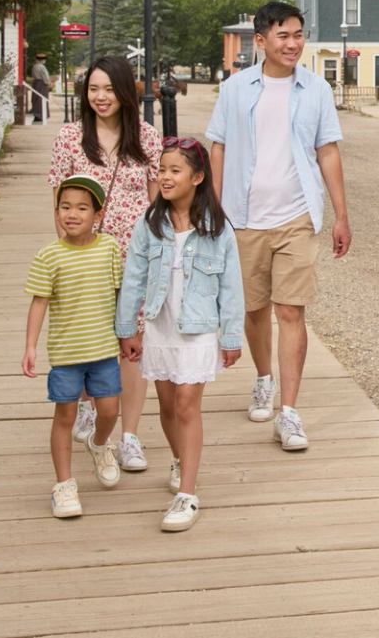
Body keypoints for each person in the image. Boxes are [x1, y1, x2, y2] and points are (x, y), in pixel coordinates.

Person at [209, 1, 352, 453]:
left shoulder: (315, 90)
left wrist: (341, 214)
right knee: (253, 311)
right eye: (283, 35)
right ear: (261, 41)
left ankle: (289, 412)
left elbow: (327, 150)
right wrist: (213, 209)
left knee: (291, 310)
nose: (293, 44)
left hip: (296, 217)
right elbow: (218, 148)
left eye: (298, 34)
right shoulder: (234, 89)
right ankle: (264, 378)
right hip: (244, 219)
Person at [116, 138, 244, 532]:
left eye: (175, 170)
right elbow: (133, 279)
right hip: (160, 325)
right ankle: (179, 458)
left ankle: (186, 494)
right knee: (168, 407)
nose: (165, 177)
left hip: (198, 328)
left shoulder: (218, 230)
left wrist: (231, 336)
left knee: (188, 404)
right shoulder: (149, 224)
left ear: (197, 177)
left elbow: (232, 286)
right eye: (162, 169)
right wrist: (127, 329)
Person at [45, 55, 161, 474]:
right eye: (93, 89)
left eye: (109, 89)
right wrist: (66, 254)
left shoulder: (146, 138)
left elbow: (156, 204)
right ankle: (92, 408)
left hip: (133, 261)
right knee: (91, 342)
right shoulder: (70, 138)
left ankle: (129, 436)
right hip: (86, 260)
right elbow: (59, 201)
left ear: (126, 92)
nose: (101, 97)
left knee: (132, 348)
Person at [22, 175, 124, 519]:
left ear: (98, 213)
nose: (72, 214)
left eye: (82, 207)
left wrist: (129, 336)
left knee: (109, 411)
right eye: (65, 207)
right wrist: (31, 347)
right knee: (65, 415)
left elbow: (119, 293)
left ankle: (99, 445)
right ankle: (64, 484)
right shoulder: (49, 255)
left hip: (104, 351)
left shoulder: (109, 247)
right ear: (56, 212)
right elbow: (39, 302)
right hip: (66, 355)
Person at [30, 57, 51, 123]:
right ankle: (41, 115)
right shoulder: (42, 67)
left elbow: (32, 75)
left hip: (35, 83)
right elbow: (45, 76)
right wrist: (48, 83)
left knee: (36, 99)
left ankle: (36, 114)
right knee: (42, 99)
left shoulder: (34, 66)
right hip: (42, 84)